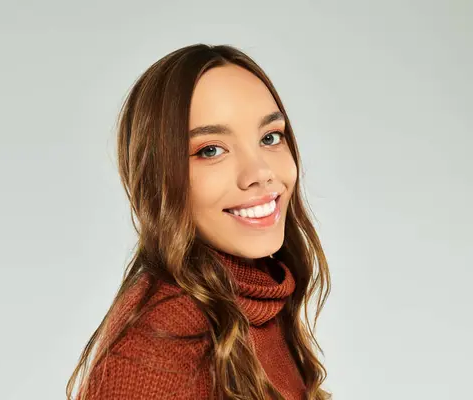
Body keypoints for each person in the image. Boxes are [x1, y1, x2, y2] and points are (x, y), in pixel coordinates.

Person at [66, 43, 332, 400]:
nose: (260, 173)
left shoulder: (256, 296)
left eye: (270, 138)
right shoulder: (161, 342)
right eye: (211, 150)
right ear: (157, 177)